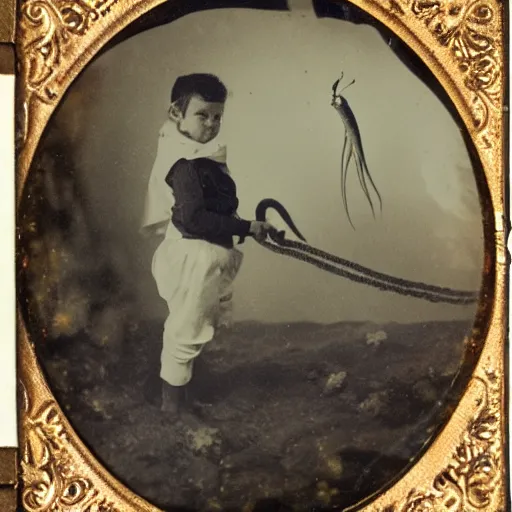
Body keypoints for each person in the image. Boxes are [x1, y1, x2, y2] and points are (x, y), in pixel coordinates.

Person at [141, 73, 274, 414]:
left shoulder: (196, 153)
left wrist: (249, 228)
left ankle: (184, 395)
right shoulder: (184, 163)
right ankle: (172, 410)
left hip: (204, 254)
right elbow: (194, 219)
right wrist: (247, 225)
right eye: (203, 115)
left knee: (195, 327)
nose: (212, 124)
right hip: (193, 257)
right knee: (186, 333)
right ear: (176, 114)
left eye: (218, 117)